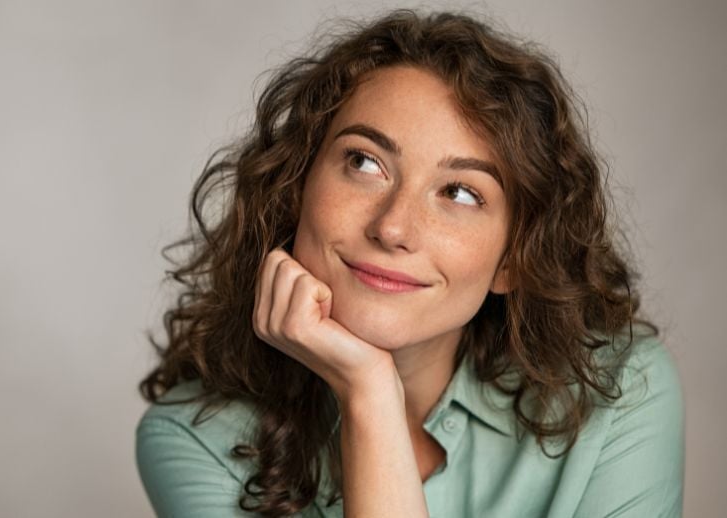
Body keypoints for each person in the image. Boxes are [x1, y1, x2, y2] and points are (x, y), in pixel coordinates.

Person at [134, 9, 684, 518]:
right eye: (364, 162)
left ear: (514, 260)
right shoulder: (193, 437)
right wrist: (370, 391)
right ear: (294, 187)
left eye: (461, 193)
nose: (393, 228)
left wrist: (367, 393)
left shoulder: (622, 391)